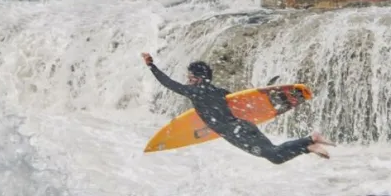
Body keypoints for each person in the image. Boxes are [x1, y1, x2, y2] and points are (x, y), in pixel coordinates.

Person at [141, 52, 334, 164]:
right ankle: (309, 145)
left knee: (274, 155)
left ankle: (311, 140)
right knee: (274, 154)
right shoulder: (220, 92)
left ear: (198, 79)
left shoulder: (195, 92)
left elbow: (169, 83)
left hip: (235, 133)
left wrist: (152, 66)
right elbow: (243, 102)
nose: (187, 80)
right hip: (243, 126)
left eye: (190, 77)